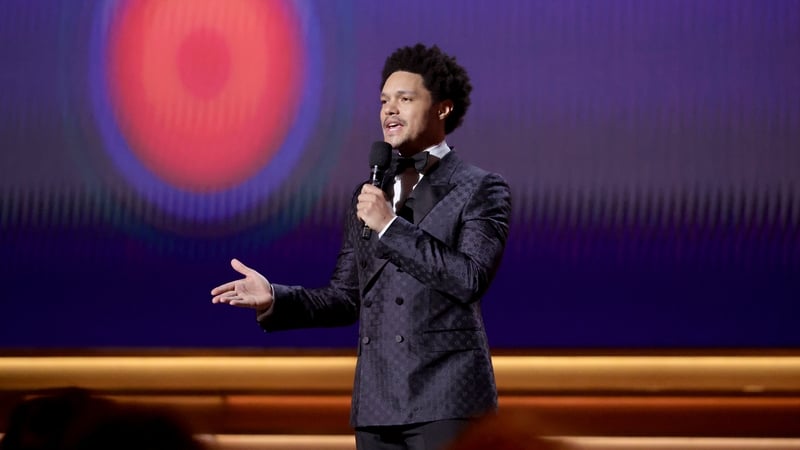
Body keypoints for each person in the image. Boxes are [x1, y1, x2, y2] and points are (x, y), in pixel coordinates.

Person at [211, 43, 511, 450]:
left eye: (405, 99)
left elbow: (469, 277)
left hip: (447, 398)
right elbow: (346, 297)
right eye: (384, 101)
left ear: (443, 108)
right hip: (377, 401)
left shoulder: (480, 187)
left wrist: (390, 226)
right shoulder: (371, 192)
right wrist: (275, 300)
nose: (389, 110)